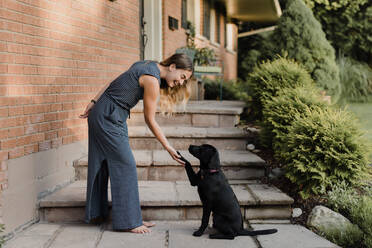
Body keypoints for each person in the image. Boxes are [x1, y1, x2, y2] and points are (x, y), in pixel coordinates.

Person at [79, 53, 193, 234]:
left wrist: (94, 101)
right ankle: (129, 222)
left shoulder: (147, 64)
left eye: (184, 80)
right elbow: (150, 120)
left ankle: (125, 216)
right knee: (126, 165)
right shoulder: (152, 80)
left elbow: (112, 83)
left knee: (109, 163)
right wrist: (169, 148)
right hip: (108, 116)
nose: (181, 82)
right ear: (172, 67)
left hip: (111, 114)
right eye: (182, 77)